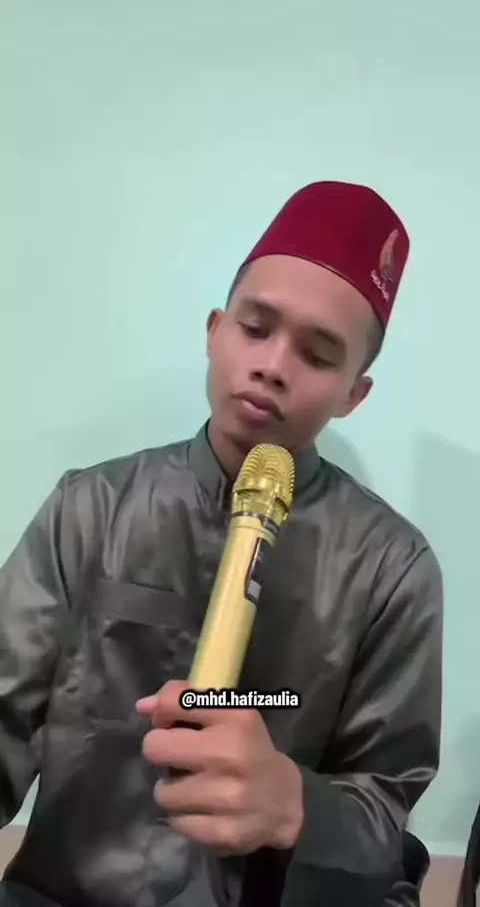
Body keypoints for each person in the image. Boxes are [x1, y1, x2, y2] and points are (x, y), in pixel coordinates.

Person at [0, 181, 443, 907]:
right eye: (255, 327)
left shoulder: (393, 569)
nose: (273, 365)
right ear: (215, 331)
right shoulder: (92, 507)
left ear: (353, 394)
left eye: (317, 355)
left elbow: (382, 815)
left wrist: (297, 805)